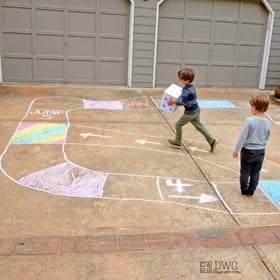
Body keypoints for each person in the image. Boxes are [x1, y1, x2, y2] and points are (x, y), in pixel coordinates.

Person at [167, 68, 218, 152]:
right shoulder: (192, 86)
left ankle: (177, 141)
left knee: (178, 125)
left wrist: (174, 102)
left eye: (181, 78)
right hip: (196, 109)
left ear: (187, 81)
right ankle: (212, 141)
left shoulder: (185, 90)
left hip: (190, 112)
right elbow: (187, 98)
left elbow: (183, 102)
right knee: (199, 126)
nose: (179, 80)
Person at [232, 93, 271, 197]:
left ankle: (244, 190)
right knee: (255, 172)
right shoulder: (267, 122)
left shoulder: (249, 121)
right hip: (261, 151)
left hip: (248, 150)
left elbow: (242, 137)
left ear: (254, 107)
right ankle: (251, 190)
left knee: (245, 171)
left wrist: (236, 150)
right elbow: (267, 136)